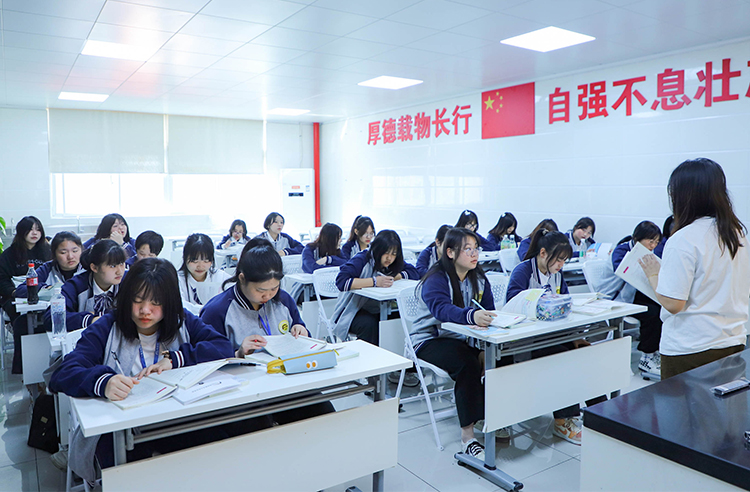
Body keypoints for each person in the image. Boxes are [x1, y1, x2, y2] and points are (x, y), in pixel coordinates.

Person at [49, 258, 239, 482]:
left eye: (156, 303)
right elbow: (63, 373)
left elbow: (222, 347)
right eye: (137, 301)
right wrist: (104, 382)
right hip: (123, 428)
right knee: (135, 470)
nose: (145, 311)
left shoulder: (181, 321)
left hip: (175, 419)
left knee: (219, 444)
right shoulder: (108, 326)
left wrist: (177, 359)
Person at [200, 238, 334, 422]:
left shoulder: (283, 300)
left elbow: (303, 335)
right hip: (243, 391)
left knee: (324, 411)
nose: (268, 295)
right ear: (242, 279)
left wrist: (301, 331)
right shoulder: (217, 310)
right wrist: (238, 353)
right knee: (260, 423)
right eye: (261, 290)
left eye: (274, 288)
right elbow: (204, 362)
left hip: (287, 381)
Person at [639, 158, 750, 379]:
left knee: (683, 403)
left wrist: (653, 275)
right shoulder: (737, 235)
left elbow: (673, 303)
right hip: (733, 340)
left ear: (683, 197)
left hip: (690, 347)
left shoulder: (684, 239)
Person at [411, 228, 509, 460]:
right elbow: (442, 310)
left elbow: (488, 312)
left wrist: (484, 348)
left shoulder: (478, 278)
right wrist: (471, 316)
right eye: (468, 249)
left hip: (463, 338)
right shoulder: (436, 278)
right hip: (430, 340)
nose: (474, 254)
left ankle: (490, 415)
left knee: (502, 357)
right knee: (467, 363)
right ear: (450, 252)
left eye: (476, 249)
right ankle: (468, 437)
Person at [507, 230, 605, 444]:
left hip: (553, 334)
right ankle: (564, 420)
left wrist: (575, 336)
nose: (561, 265)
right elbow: (513, 305)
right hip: (527, 341)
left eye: (564, 260)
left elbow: (565, 304)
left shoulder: (557, 275)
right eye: (558, 259)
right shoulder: (523, 272)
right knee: (565, 359)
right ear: (543, 253)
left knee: (585, 353)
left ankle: (601, 413)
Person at [331, 230, 419, 346]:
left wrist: (396, 276)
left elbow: (415, 272)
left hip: (378, 308)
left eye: (393, 254)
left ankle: (396, 354)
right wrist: (375, 281)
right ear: (378, 249)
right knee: (370, 325)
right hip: (352, 310)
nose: (389, 258)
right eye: (386, 253)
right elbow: (341, 281)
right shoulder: (362, 258)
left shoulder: (393, 263)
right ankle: (369, 356)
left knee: (399, 319)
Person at [611, 221, 663, 378]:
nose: (653, 246)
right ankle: (647, 356)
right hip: (618, 298)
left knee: (662, 307)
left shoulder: (649, 253)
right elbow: (622, 272)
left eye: (656, 242)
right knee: (652, 313)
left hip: (635, 294)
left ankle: (655, 352)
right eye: (650, 241)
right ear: (637, 238)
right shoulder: (621, 250)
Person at [46, 239, 126, 331]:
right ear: (94, 267)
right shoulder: (76, 285)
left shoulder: (128, 281)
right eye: (112, 266)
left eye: (121, 264)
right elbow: (51, 317)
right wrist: (90, 320)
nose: (119, 271)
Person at [177, 233, 231, 315]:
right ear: (185, 258)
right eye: (194, 261)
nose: (200, 266)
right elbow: (179, 305)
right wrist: (206, 309)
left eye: (206, 261)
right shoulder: (177, 279)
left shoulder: (220, 276)